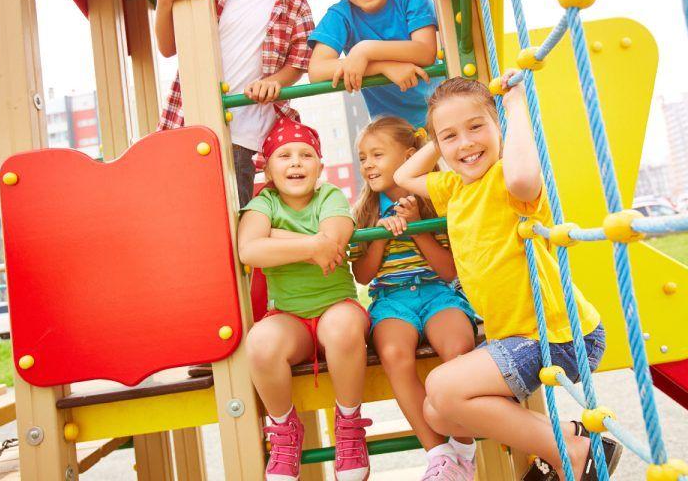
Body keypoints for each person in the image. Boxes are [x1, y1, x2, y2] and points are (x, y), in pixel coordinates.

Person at [394, 75, 622, 480]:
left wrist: (515, 106)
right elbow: (402, 177)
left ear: (499, 126)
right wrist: (438, 133)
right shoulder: (455, 189)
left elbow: (522, 178)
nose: (465, 143)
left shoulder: (508, 178)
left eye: (477, 127)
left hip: (555, 334)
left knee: (444, 387)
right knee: (438, 412)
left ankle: (568, 449)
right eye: (451, 137)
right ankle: (569, 437)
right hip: (515, 337)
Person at [155, 0, 314, 208]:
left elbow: (300, 59)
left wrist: (276, 81)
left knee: (231, 211)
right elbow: (168, 46)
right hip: (193, 122)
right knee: (184, 206)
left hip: (244, 132)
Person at [238, 113, 371, 481]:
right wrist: (310, 244)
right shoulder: (264, 203)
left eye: (305, 155)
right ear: (267, 169)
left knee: (344, 328)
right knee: (261, 343)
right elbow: (248, 250)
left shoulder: (328, 195)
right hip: (289, 318)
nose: (296, 162)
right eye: (285, 156)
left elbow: (334, 238)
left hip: (337, 307)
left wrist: (278, 240)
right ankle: (284, 429)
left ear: (319, 166)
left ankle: (348, 423)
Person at [351, 116, 478, 479]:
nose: (368, 164)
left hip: (438, 293)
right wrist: (379, 235)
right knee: (393, 353)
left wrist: (419, 226)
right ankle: (438, 452)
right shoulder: (366, 210)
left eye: (377, 154)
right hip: (391, 300)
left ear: (409, 156)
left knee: (457, 346)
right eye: (363, 158)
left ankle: (463, 446)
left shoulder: (436, 200)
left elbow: (450, 272)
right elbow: (362, 275)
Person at [308, 0, 438, 129]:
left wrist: (365, 50)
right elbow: (317, 71)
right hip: (393, 128)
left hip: (438, 108)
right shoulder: (341, 15)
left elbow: (425, 51)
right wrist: (384, 67)